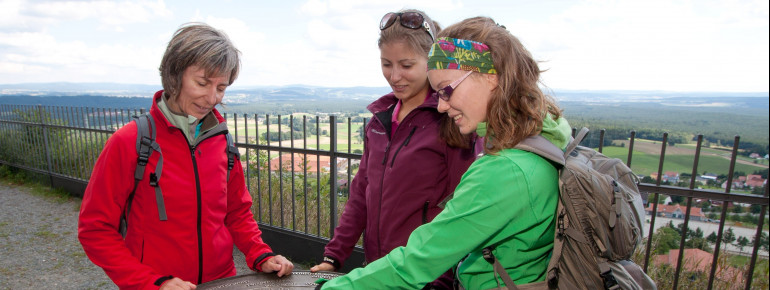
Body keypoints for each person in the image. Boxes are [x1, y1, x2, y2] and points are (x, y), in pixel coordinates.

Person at [318, 16, 573, 289]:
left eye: (446, 90)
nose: (441, 106)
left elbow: (421, 260)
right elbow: (362, 193)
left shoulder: (506, 169)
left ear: (490, 77)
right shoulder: (541, 140)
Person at [78, 23, 293, 289]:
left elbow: (236, 211)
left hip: (221, 281)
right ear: (174, 75)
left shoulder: (221, 139)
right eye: (202, 83)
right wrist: (151, 282)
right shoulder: (130, 142)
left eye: (221, 87)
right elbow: (95, 229)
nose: (212, 97)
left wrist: (260, 253)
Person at [309, 9, 475, 289]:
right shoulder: (379, 120)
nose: (394, 76)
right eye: (387, 64)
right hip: (377, 271)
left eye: (407, 65)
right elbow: (361, 193)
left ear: (431, 62)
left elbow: (463, 208)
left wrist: (441, 277)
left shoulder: (451, 121)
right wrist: (334, 256)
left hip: (426, 277)